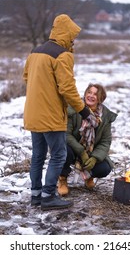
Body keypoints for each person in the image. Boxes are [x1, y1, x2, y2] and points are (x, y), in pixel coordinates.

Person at [23, 14, 91, 211]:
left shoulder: (35, 52)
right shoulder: (63, 55)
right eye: (73, 35)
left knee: (38, 155)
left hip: (33, 112)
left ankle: (36, 196)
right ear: (67, 33)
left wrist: (41, 92)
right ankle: (48, 197)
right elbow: (67, 89)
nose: (74, 40)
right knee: (59, 155)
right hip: (51, 115)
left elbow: (26, 77)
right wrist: (84, 112)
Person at [57, 83, 118, 196]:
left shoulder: (105, 116)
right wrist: (81, 151)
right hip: (73, 148)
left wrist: (94, 158)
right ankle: (62, 178)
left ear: (100, 99)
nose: (91, 96)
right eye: (89, 92)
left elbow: (105, 141)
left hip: (90, 151)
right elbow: (66, 134)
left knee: (105, 168)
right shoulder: (74, 108)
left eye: (95, 94)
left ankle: (88, 176)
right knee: (64, 150)